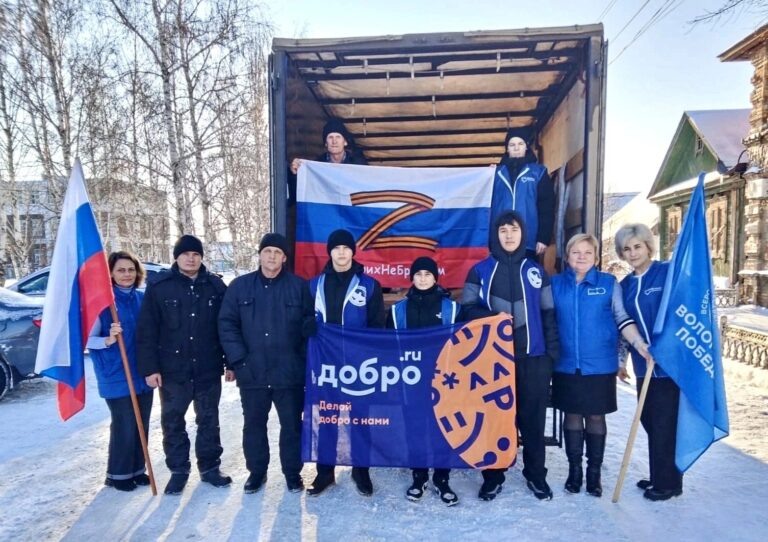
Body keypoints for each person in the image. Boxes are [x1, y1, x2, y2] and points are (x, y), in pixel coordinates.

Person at [462, 211, 559, 501]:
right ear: (496, 234)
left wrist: (550, 355)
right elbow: (466, 310)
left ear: (522, 233)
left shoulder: (536, 271)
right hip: (493, 361)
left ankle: (535, 475)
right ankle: (493, 476)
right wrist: (494, 316)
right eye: (502, 230)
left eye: (513, 229)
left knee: (532, 421)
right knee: (494, 421)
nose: (508, 235)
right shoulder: (480, 270)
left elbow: (549, 313)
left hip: (533, 358)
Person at [551, 234, 653, 497]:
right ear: (568, 255)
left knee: (595, 417)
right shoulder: (555, 284)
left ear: (595, 257)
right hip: (566, 364)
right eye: (576, 252)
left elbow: (622, 319)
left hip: (599, 366)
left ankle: (593, 475)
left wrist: (640, 345)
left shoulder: (608, 284)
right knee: (572, 416)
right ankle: (575, 472)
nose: (581, 257)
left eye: (587, 252)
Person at [218, 233, 315, 494]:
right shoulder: (239, 287)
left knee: (292, 426)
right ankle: (257, 473)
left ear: (285, 258)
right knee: (254, 426)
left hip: (289, 373)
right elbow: (227, 324)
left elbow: (311, 328)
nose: (272, 256)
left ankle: (292, 474)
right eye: (267, 251)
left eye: (277, 252)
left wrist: (302, 361)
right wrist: (239, 360)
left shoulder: (299, 287)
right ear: (260, 254)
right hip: (253, 372)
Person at [137, 234, 231, 495]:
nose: (191, 258)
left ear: (201, 257)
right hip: (172, 371)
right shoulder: (160, 287)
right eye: (186, 254)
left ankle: (210, 468)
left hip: (207, 368)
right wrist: (150, 368)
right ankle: (178, 471)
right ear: (176, 257)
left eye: (196, 254)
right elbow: (147, 331)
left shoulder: (215, 287)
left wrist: (231, 362)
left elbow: (226, 328)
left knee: (209, 420)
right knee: (173, 421)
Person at [307, 228, 385, 497]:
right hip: (325, 365)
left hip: (358, 366)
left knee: (360, 419)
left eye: (346, 248)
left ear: (353, 251)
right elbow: (304, 321)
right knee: (327, 417)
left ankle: (360, 469)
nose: (341, 252)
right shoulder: (315, 285)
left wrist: (369, 357)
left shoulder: (369, 285)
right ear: (329, 252)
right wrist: (306, 327)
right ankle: (325, 472)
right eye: (336, 248)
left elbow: (378, 326)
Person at [615, 223, 684, 502]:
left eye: (637, 247)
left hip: (669, 368)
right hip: (644, 366)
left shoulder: (665, 273)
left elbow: (681, 312)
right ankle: (661, 475)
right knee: (650, 420)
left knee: (665, 424)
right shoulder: (625, 286)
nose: (632, 253)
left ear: (648, 246)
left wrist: (668, 346)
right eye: (627, 249)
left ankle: (668, 483)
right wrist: (621, 361)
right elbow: (621, 326)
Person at [387, 256, 461, 506]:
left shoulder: (451, 308)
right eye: (418, 274)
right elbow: (386, 345)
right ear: (412, 278)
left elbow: (465, 343)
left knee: (442, 429)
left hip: (444, 380)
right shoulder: (399, 310)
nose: (422, 279)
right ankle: (418, 477)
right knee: (415, 429)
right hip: (411, 382)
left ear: (435, 277)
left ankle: (442, 478)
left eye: (427, 275)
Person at [88, 251, 153, 492]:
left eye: (130, 270)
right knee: (125, 423)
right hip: (116, 372)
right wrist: (108, 339)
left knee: (141, 422)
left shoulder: (142, 298)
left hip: (142, 371)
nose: (127, 275)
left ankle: (137, 470)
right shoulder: (103, 303)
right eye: (121, 270)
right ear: (111, 274)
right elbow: (86, 340)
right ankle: (118, 474)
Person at [490, 127, 555, 257]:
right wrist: (486, 175)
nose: (516, 148)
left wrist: (543, 238)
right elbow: (485, 206)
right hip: (500, 239)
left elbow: (546, 207)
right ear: (507, 148)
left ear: (526, 147)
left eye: (520, 144)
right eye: (512, 145)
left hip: (528, 240)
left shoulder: (538, 172)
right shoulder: (495, 173)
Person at [288, 118, 368, 206]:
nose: (334, 141)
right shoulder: (316, 166)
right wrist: (294, 174)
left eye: (338, 137)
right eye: (330, 137)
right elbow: (299, 194)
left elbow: (367, 188)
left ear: (345, 142)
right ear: (326, 143)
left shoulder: (357, 163)